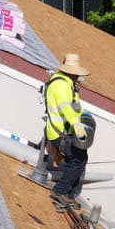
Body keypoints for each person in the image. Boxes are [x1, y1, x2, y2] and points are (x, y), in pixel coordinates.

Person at [43, 53, 90, 208]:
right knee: (78, 159)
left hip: (62, 131)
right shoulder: (61, 85)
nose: (78, 77)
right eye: (76, 74)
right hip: (60, 133)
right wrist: (78, 127)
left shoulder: (64, 83)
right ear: (71, 72)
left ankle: (69, 194)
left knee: (77, 159)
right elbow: (66, 108)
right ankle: (60, 191)